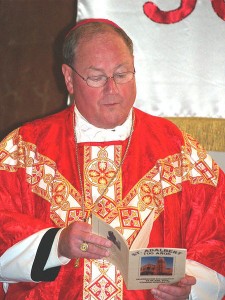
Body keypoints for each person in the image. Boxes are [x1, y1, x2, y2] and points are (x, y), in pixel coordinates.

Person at [0, 18, 224, 300]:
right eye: (97, 77)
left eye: (122, 74)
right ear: (69, 78)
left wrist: (189, 288)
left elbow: (217, 240)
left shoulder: (178, 150)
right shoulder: (24, 150)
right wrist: (57, 243)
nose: (113, 89)